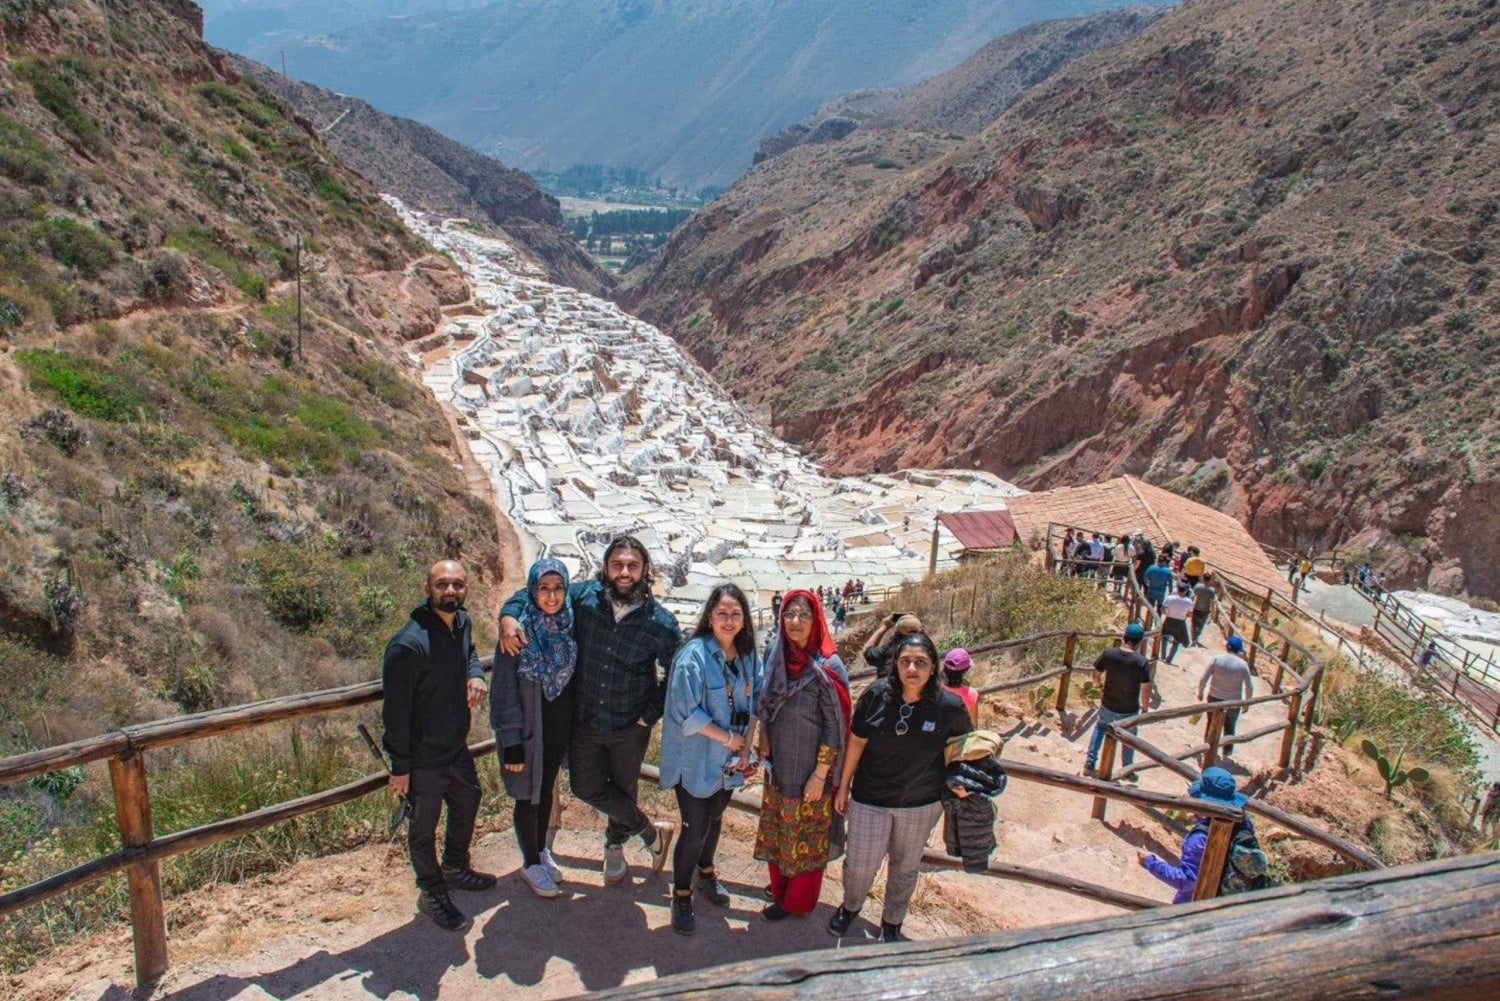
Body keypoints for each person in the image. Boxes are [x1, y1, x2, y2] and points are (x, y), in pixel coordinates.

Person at [499, 536, 680, 886]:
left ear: (645, 570)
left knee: (623, 789)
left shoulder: (661, 623)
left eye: (632, 565)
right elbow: (537, 591)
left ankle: (614, 847)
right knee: (584, 786)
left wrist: (649, 715)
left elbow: (673, 674)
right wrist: (508, 615)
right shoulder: (583, 598)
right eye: (617, 565)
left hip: (630, 724)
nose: (624, 572)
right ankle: (649, 832)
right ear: (606, 568)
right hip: (585, 720)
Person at [829, 632, 973, 943]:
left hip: (920, 801)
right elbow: (856, 741)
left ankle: (892, 922)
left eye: (920, 663)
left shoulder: (949, 706)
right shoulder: (876, 694)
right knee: (859, 864)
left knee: (905, 867)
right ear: (895, 665)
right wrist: (844, 785)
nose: (912, 669)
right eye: (905, 661)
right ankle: (850, 906)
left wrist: (961, 786)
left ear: (933, 667)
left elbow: (964, 750)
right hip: (870, 796)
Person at [382, 560, 495, 930]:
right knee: (422, 827)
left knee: (470, 798)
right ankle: (431, 890)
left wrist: (475, 674)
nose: (451, 592)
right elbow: (395, 713)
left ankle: (455, 866)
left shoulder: (461, 623)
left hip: (454, 746)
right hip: (423, 756)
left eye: (458, 585)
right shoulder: (408, 644)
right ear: (428, 587)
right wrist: (400, 767)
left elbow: (470, 653)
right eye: (442, 585)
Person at [660, 583, 763, 935]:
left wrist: (746, 748)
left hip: (729, 761)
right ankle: (681, 894)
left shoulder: (749, 657)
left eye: (736, 614)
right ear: (709, 616)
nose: (729, 620)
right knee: (694, 827)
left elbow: (755, 707)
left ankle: (705, 872)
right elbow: (686, 714)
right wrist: (731, 739)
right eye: (722, 613)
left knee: (716, 817)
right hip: (696, 759)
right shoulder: (693, 656)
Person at [755, 589, 851, 921]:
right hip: (778, 764)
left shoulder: (828, 664)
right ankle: (779, 888)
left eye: (804, 615)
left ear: (817, 619)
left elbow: (835, 726)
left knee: (806, 839)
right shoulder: (775, 653)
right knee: (780, 830)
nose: (795, 621)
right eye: (789, 614)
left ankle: (796, 903)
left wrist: (820, 774)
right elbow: (766, 702)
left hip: (811, 771)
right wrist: (763, 732)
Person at [493, 557, 577, 899]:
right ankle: (529, 863)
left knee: (543, 791)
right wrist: (511, 741)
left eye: (558, 588)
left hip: (556, 725)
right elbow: (502, 690)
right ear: (532, 589)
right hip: (528, 726)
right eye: (544, 588)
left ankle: (540, 851)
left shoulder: (569, 622)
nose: (552, 597)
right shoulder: (518, 630)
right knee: (527, 794)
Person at [1139, 767, 1253, 903]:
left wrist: (1150, 862)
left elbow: (1186, 880)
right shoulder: (1244, 824)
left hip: (1195, 905)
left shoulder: (1200, 838)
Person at [1084, 623, 1153, 779]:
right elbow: (1145, 688)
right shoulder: (1141, 662)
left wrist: (1099, 686)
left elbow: (1095, 674)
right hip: (1129, 707)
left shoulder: (1109, 653)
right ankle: (1127, 770)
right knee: (1129, 737)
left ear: (1124, 637)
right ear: (1140, 641)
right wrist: (1145, 708)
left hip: (1109, 702)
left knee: (1100, 728)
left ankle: (1090, 763)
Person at [1198, 635, 1254, 757]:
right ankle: (1227, 752)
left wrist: (1200, 692)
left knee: (1211, 723)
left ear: (1228, 646)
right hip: (1233, 701)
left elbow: (1204, 678)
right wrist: (1247, 702)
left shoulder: (1217, 659)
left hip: (1214, 697)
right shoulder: (1243, 665)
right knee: (1230, 726)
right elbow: (1249, 687)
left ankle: (1208, 747)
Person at [862, 611, 923, 677]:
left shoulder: (890, 649)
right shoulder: (926, 650)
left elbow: (867, 651)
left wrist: (884, 626)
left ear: (898, 632)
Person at [941, 648, 979, 725]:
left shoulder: (934, 688)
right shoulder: (972, 694)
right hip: (960, 735)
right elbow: (973, 724)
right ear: (966, 670)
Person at [1160, 582, 1194, 665]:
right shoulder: (1189, 601)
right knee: (1177, 641)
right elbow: (1190, 614)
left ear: (1177, 589)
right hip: (1180, 622)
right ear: (1186, 590)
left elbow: (1162, 609)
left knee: (1164, 637)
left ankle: (1163, 655)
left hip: (1169, 619)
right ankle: (1169, 659)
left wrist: (1168, 612)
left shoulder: (1170, 598)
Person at [1191, 572, 1217, 646]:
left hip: (1196, 608)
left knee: (1194, 624)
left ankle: (1193, 638)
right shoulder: (1212, 590)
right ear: (1210, 579)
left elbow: (1192, 596)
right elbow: (1212, 602)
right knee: (1201, 625)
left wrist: (1190, 606)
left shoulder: (1197, 586)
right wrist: (1212, 613)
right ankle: (1196, 637)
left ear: (1203, 578)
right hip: (1205, 610)